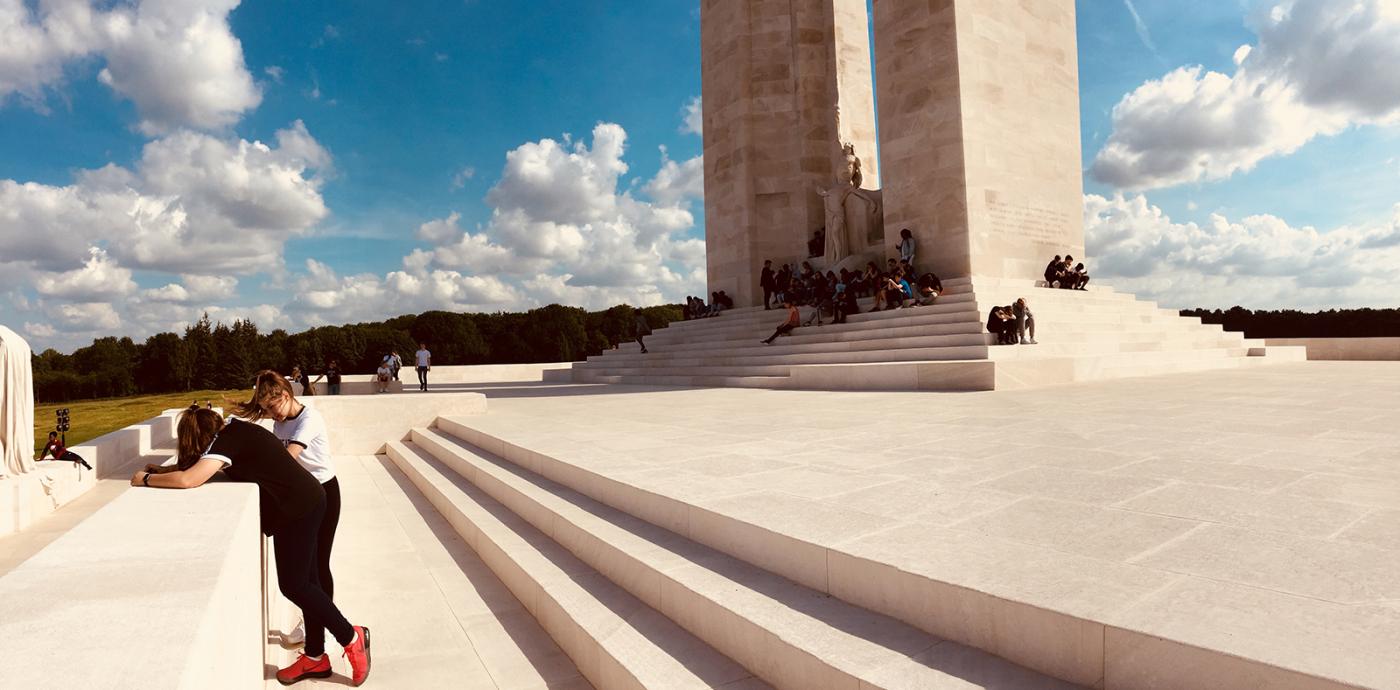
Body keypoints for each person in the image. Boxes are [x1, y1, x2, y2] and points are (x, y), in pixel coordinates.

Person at [134, 407, 371, 686]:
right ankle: (316, 658)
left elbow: (190, 480)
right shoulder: (234, 431)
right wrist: (166, 469)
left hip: (299, 508)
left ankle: (351, 637)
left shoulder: (227, 442)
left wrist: (147, 479)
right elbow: (200, 467)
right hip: (304, 501)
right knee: (309, 585)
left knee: (295, 585)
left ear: (197, 436)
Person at [233, 372, 343, 649]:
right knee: (305, 572)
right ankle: (315, 622)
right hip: (302, 497)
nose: (272, 415)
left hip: (324, 493)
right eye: (266, 411)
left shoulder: (310, 419)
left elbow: (285, 459)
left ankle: (322, 628)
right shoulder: (280, 423)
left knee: (318, 564)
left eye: (273, 408)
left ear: (285, 395)